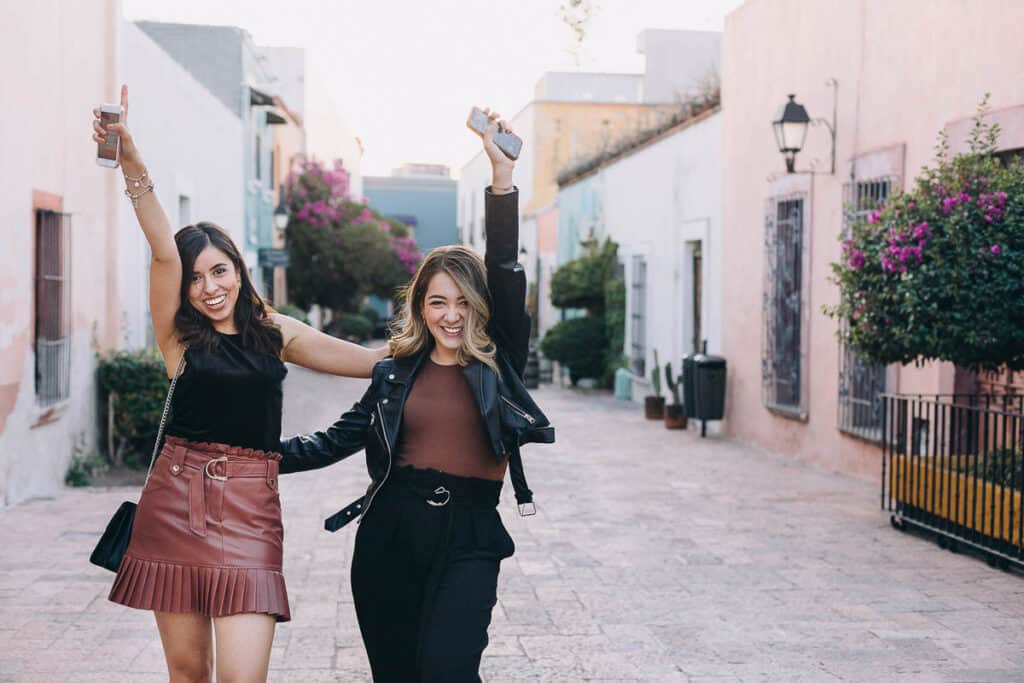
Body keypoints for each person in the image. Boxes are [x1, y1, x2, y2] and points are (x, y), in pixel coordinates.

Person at [92, 84, 389, 683]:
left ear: (238, 268)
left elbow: (370, 360)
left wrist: (442, 337)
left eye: (219, 270)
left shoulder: (274, 332)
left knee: (241, 678)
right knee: (188, 674)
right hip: (173, 503)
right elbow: (161, 252)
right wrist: (132, 161)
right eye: (197, 277)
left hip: (252, 511)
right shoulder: (178, 340)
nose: (209, 287)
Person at [277, 108, 555, 681]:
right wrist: (249, 451)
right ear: (420, 308)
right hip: (390, 530)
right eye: (437, 302)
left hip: (472, 533)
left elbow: (503, 266)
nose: (451, 316)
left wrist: (501, 180)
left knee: (449, 671)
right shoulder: (394, 374)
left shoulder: (499, 359)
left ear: (479, 307)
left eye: (462, 303)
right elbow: (334, 441)